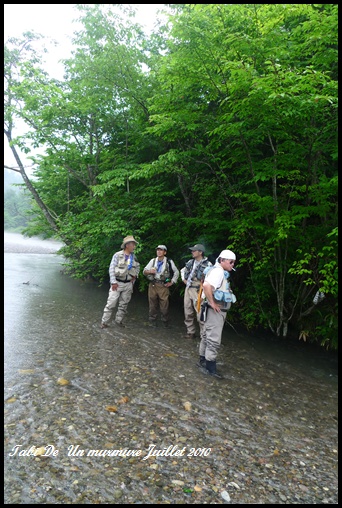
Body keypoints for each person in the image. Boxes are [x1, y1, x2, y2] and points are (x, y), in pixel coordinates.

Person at [198, 249, 237, 378]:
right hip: (214, 311)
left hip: (209, 310)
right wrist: (213, 303)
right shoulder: (218, 272)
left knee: (205, 335)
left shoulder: (216, 270)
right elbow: (207, 285)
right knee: (213, 339)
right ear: (222, 260)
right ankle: (211, 368)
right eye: (231, 262)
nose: (233, 265)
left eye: (234, 262)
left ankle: (202, 361)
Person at [100, 235, 140, 329]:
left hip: (128, 284)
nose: (134, 246)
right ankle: (104, 322)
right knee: (111, 304)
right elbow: (111, 269)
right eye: (133, 244)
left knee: (124, 304)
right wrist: (113, 282)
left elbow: (137, 267)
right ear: (127, 245)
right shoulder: (117, 255)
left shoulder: (134, 257)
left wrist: (135, 277)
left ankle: (119, 321)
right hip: (117, 283)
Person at [143, 245, 179, 328]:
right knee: (152, 304)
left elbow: (176, 272)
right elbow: (144, 271)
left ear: (165, 252)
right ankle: (152, 322)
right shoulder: (152, 261)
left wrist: (172, 282)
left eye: (161, 250)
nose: (159, 251)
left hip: (163, 286)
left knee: (164, 306)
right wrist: (149, 271)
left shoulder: (169, 261)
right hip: (153, 284)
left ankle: (165, 322)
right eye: (158, 250)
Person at [182, 244, 212, 340]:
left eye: (194, 251)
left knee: (200, 313)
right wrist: (183, 279)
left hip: (199, 290)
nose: (192, 252)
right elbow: (183, 270)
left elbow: (211, 279)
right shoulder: (190, 262)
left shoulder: (208, 265)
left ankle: (203, 335)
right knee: (188, 311)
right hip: (188, 288)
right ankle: (190, 332)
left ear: (200, 252)